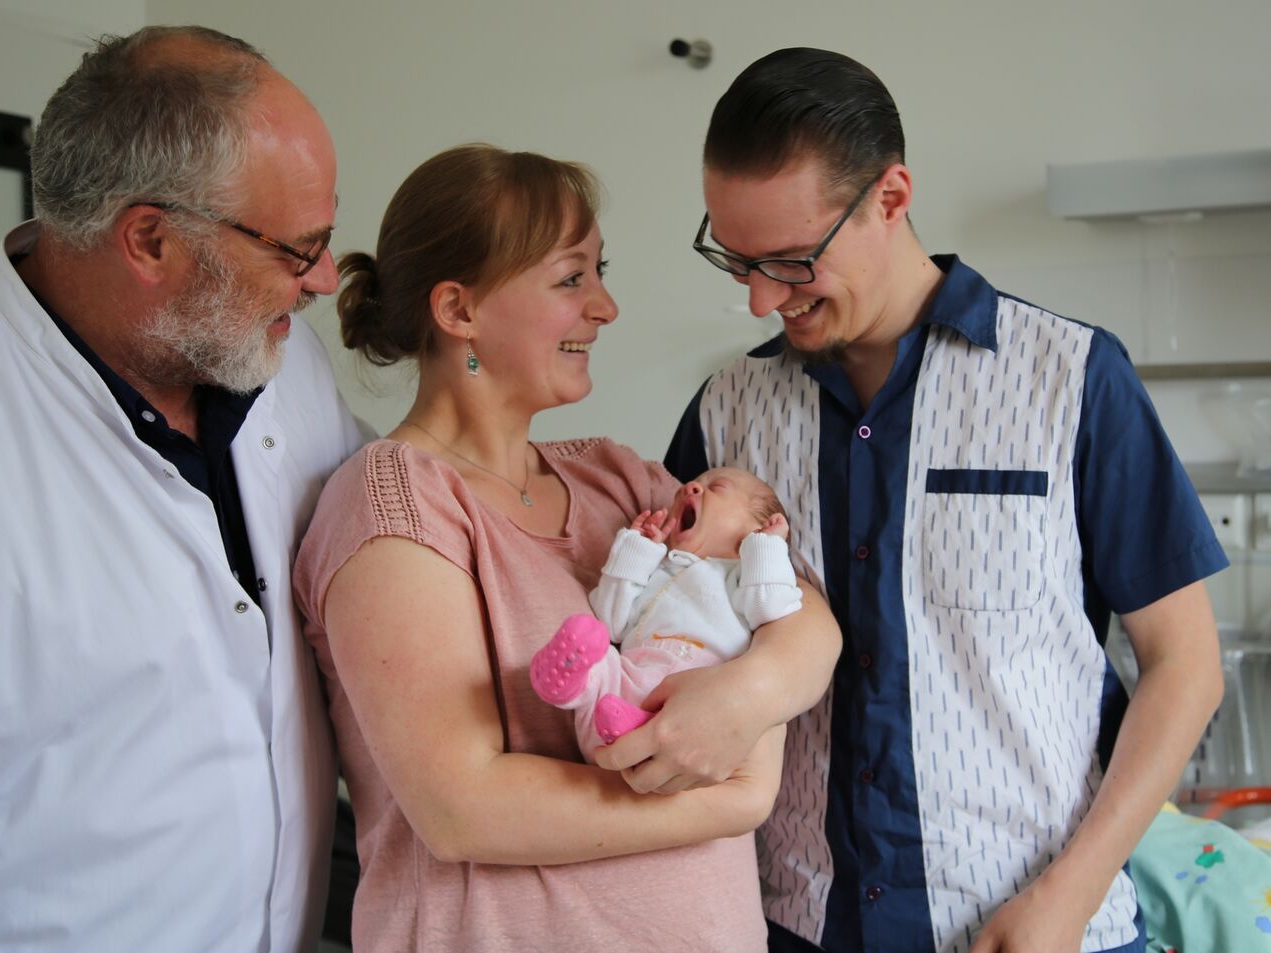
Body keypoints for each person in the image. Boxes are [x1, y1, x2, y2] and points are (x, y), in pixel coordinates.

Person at [662, 47, 1228, 953]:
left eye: (793, 260)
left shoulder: (1071, 380)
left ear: (890, 197)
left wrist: (1068, 897)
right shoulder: (726, 412)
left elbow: (1185, 668)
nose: (764, 297)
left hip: (1040, 930)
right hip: (794, 928)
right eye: (737, 262)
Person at [0, 26, 369, 953]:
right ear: (149, 239)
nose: (321, 281)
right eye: (299, 247)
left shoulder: (274, 352)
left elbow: (381, 521)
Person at [291, 144, 842, 952]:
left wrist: (747, 696)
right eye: (570, 278)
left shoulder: (614, 476)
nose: (606, 306)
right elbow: (463, 808)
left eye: (597, 272)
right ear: (459, 310)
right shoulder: (393, 504)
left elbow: (799, 609)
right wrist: (737, 795)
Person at [531, 466, 808, 759]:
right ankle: (566, 686)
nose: (691, 487)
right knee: (605, 660)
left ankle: (636, 726)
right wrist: (636, 551)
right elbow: (611, 623)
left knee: (649, 702)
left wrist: (767, 547)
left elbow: (771, 608)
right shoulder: (657, 570)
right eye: (689, 486)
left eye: (717, 488)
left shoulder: (745, 578)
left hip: (694, 693)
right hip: (629, 681)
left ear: (758, 527)